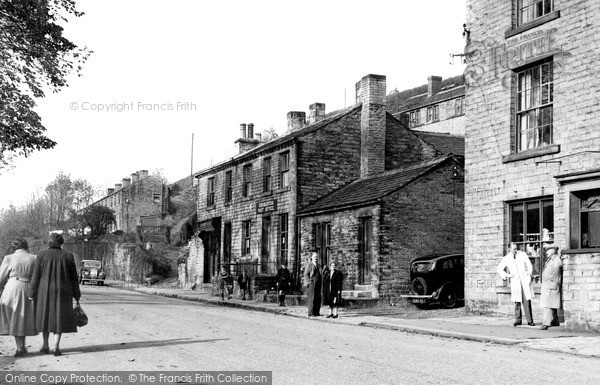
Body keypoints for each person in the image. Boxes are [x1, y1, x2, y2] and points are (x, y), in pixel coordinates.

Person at [28, 233, 81, 356]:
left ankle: (45, 345)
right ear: (61, 243)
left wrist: (31, 292)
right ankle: (56, 346)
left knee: (45, 317)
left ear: (49, 242)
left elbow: (36, 276)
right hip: (63, 291)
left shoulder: (41, 254)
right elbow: (74, 278)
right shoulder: (68, 255)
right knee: (59, 317)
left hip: (44, 290)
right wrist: (76, 295)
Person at [0, 238, 37, 357]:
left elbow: (1, 278)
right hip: (29, 287)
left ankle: (19, 347)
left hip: (13, 287)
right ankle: (22, 345)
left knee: (16, 316)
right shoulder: (34, 258)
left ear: (14, 247)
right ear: (26, 247)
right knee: (24, 316)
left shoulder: (9, 258)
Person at [497, 242, 535, 327]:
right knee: (517, 301)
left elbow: (529, 265)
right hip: (515, 281)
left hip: (524, 280)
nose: (515, 250)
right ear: (509, 249)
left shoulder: (523, 254)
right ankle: (518, 320)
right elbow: (499, 269)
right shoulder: (506, 258)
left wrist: (528, 274)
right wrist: (507, 275)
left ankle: (530, 320)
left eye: (516, 248)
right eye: (514, 249)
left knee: (526, 300)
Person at [540, 245, 563, 330]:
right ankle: (555, 320)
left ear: (553, 251)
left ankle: (546, 323)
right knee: (551, 304)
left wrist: (555, 280)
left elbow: (559, 268)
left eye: (548, 251)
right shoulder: (551, 260)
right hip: (549, 284)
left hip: (552, 284)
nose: (546, 252)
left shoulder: (557, 260)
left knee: (547, 305)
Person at [303, 252, 321, 317]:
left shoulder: (318, 265)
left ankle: (316, 312)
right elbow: (305, 274)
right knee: (312, 298)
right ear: (312, 257)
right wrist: (309, 281)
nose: (316, 258)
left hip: (318, 283)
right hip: (312, 283)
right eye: (314, 256)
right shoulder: (309, 265)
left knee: (317, 297)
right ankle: (310, 313)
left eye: (317, 256)